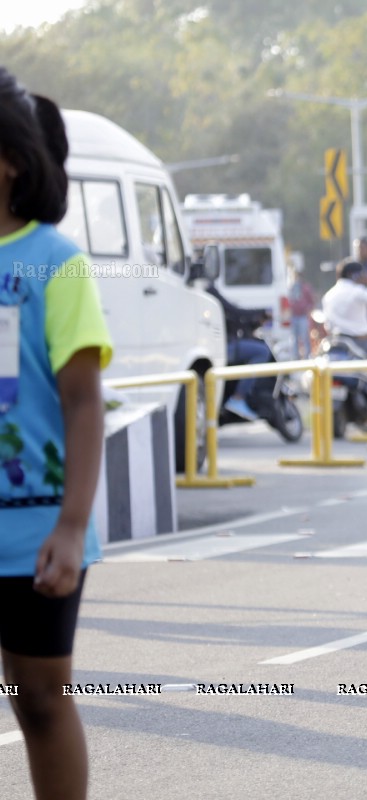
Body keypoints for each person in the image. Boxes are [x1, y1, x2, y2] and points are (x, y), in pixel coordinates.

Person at [0, 68, 110, 800]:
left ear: (9, 163)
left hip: (35, 525)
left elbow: (81, 402)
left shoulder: (53, 262)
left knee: (39, 698)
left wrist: (72, 526)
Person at [206, 281, 272, 421]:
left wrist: (255, 321)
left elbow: (233, 317)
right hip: (223, 347)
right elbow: (234, 312)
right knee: (262, 352)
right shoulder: (207, 289)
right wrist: (261, 311)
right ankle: (238, 397)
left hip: (217, 345)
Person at [321, 259, 367, 349]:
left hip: (335, 342)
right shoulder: (357, 291)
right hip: (359, 343)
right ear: (354, 275)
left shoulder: (328, 295)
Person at [287, 261, 315, 359]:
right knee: (294, 338)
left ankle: (307, 356)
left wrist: (308, 311)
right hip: (294, 316)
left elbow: (311, 301)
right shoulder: (291, 287)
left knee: (304, 337)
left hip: (303, 316)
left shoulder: (306, 287)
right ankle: (295, 356)